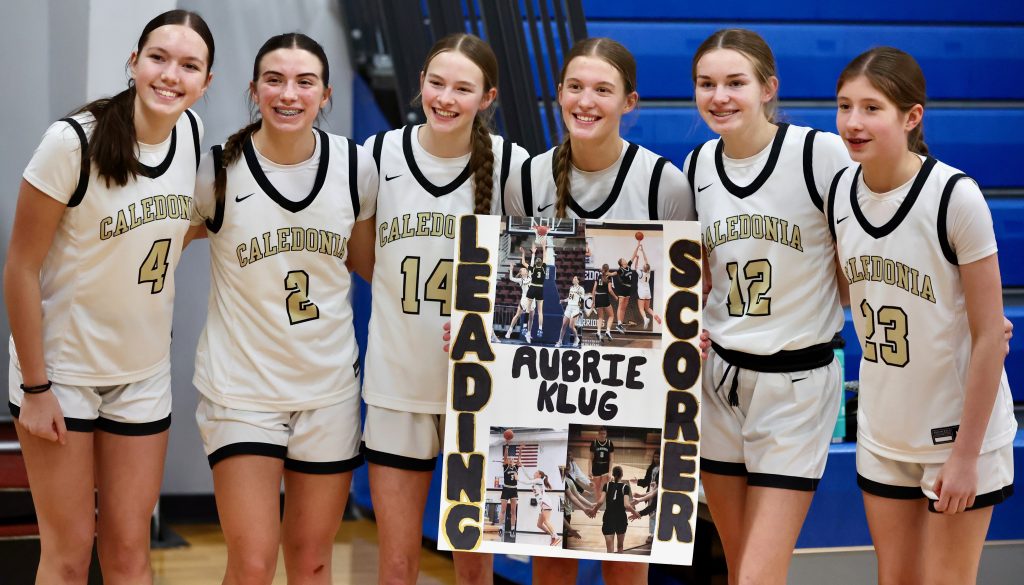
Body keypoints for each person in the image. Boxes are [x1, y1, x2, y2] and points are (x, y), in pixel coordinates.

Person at [4, 10, 213, 583]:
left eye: (189, 66)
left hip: (140, 375)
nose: (171, 75)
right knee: (68, 559)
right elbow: (20, 267)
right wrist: (36, 387)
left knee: (129, 555)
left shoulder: (191, 134)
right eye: (159, 59)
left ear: (206, 82)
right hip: (60, 374)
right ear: (134, 62)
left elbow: (172, 229)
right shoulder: (71, 143)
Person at [504, 36, 694, 584]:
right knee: (552, 559)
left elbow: (684, 293)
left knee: (624, 561)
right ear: (559, 93)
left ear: (629, 102)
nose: (586, 101)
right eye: (576, 87)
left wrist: (687, 331)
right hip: (547, 379)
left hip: (630, 385)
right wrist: (478, 330)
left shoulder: (664, 183)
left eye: (603, 90)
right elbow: (515, 286)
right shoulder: (528, 178)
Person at [188, 33, 375, 584]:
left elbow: (373, 267)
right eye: (274, 79)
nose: (288, 93)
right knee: (251, 564)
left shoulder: (352, 167)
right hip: (240, 389)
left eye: (304, 81)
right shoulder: (217, 171)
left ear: (326, 93)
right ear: (253, 89)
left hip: (328, 389)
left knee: (313, 563)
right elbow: (155, 247)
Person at [830, 47, 1016, 585]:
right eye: (844, 106)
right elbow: (848, 291)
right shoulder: (843, 190)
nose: (853, 122)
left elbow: (990, 337)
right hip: (885, 428)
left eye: (871, 108)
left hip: (959, 437)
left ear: (912, 117)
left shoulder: (956, 197)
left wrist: (965, 457)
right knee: (896, 578)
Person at [685, 29, 854, 584]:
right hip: (718, 381)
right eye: (707, 84)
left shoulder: (818, 153)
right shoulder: (698, 165)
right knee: (740, 569)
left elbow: (871, 244)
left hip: (797, 384)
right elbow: (702, 275)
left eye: (736, 82)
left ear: (768, 88)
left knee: (758, 573)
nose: (720, 96)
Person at [361, 32, 529, 585]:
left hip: (479, 392)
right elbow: (365, 258)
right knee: (397, 562)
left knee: (475, 567)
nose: (446, 98)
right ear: (420, 86)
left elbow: (538, 267)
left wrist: (487, 318)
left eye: (463, 88)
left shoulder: (511, 166)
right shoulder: (381, 155)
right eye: (436, 83)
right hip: (398, 385)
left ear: (488, 98)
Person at [589, 466, 638, 554]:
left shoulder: (607, 485)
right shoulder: (625, 487)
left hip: (608, 518)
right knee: (620, 546)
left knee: (609, 550)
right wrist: (635, 512)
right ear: (622, 475)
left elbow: (600, 502)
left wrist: (594, 511)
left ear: (613, 474)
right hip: (621, 519)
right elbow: (626, 505)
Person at [520, 468, 562, 546]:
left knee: (546, 521)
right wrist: (522, 465)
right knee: (539, 524)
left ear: (539, 475)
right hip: (542, 504)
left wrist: (517, 479)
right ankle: (553, 536)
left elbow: (527, 482)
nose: (534, 473)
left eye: (536, 472)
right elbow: (528, 477)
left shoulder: (539, 480)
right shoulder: (536, 481)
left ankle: (556, 537)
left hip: (545, 502)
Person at [634, 243, 662, 328]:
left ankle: (645, 318)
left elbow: (635, 267)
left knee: (641, 308)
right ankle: (654, 314)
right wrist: (643, 251)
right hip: (648, 292)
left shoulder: (640, 273)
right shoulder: (648, 273)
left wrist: (637, 258)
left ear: (644, 268)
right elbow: (646, 261)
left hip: (642, 292)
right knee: (647, 308)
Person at [497, 448, 523, 538]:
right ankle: (500, 528)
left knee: (513, 511)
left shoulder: (516, 467)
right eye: (510, 459)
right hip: (506, 489)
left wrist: (520, 450)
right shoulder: (505, 466)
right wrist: (507, 446)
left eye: (513, 459)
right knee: (503, 510)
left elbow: (519, 459)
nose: (511, 460)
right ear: (508, 461)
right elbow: (505, 457)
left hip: (514, 490)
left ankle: (512, 529)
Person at [526, 239, 548, 339]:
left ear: (535, 263)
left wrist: (533, 253)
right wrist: (543, 247)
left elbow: (530, 262)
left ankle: (525, 326)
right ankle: (540, 328)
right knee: (540, 311)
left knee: (528, 308)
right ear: (541, 263)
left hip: (532, 287)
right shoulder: (543, 267)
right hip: (540, 289)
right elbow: (545, 256)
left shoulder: (533, 268)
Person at [556, 275, 585, 348]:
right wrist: (563, 300)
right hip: (569, 307)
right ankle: (560, 341)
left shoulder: (581, 289)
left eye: (575, 278)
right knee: (563, 325)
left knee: (571, 326)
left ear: (578, 281)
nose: (574, 279)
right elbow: (570, 298)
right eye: (574, 278)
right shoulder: (571, 288)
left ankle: (576, 339)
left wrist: (579, 307)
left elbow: (582, 299)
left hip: (575, 308)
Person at [592, 264, 618, 343]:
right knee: (611, 315)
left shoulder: (599, 276)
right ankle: (608, 331)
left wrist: (593, 301)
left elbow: (593, 290)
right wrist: (615, 297)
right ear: (608, 270)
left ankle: (598, 332)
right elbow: (610, 290)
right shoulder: (609, 277)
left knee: (600, 317)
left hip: (598, 297)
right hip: (604, 297)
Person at [589, 427, 615, 502]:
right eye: (601, 433)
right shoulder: (594, 443)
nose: (602, 435)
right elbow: (590, 458)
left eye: (604, 433)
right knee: (596, 488)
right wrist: (589, 470)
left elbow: (611, 459)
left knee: (605, 488)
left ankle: (607, 506)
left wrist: (610, 472)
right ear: (598, 434)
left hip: (605, 468)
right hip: (596, 467)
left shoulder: (610, 443)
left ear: (606, 434)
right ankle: (597, 505)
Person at [612, 256, 635, 333]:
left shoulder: (628, 266)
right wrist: (607, 273)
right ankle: (618, 324)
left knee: (624, 308)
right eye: (623, 260)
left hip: (628, 289)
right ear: (621, 263)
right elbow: (614, 273)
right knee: (620, 306)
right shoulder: (620, 270)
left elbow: (633, 256)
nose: (624, 259)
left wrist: (638, 245)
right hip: (622, 289)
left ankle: (620, 325)